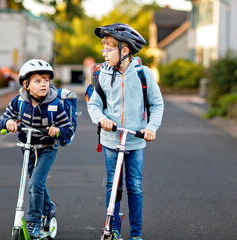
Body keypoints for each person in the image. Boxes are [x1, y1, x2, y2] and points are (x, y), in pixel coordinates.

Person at [87, 23, 164, 240]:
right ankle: (113, 230)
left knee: (135, 186)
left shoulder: (143, 74)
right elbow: (94, 104)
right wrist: (101, 119)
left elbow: (156, 104)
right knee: (113, 185)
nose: (104, 53)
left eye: (109, 49)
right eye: (103, 48)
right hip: (112, 140)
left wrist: (151, 128)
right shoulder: (103, 73)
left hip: (135, 140)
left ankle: (136, 234)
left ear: (125, 50)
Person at [0, 59, 74, 239]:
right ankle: (48, 208)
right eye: (38, 81)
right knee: (36, 183)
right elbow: (4, 117)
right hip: (28, 148)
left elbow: (68, 129)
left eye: (46, 80)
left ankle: (34, 221)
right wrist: (8, 122)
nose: (43, 85)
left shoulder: (55, 104)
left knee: (35, 184)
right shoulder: (19, 101)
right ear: (26, 85)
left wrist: (58, 131)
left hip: (47, 148)